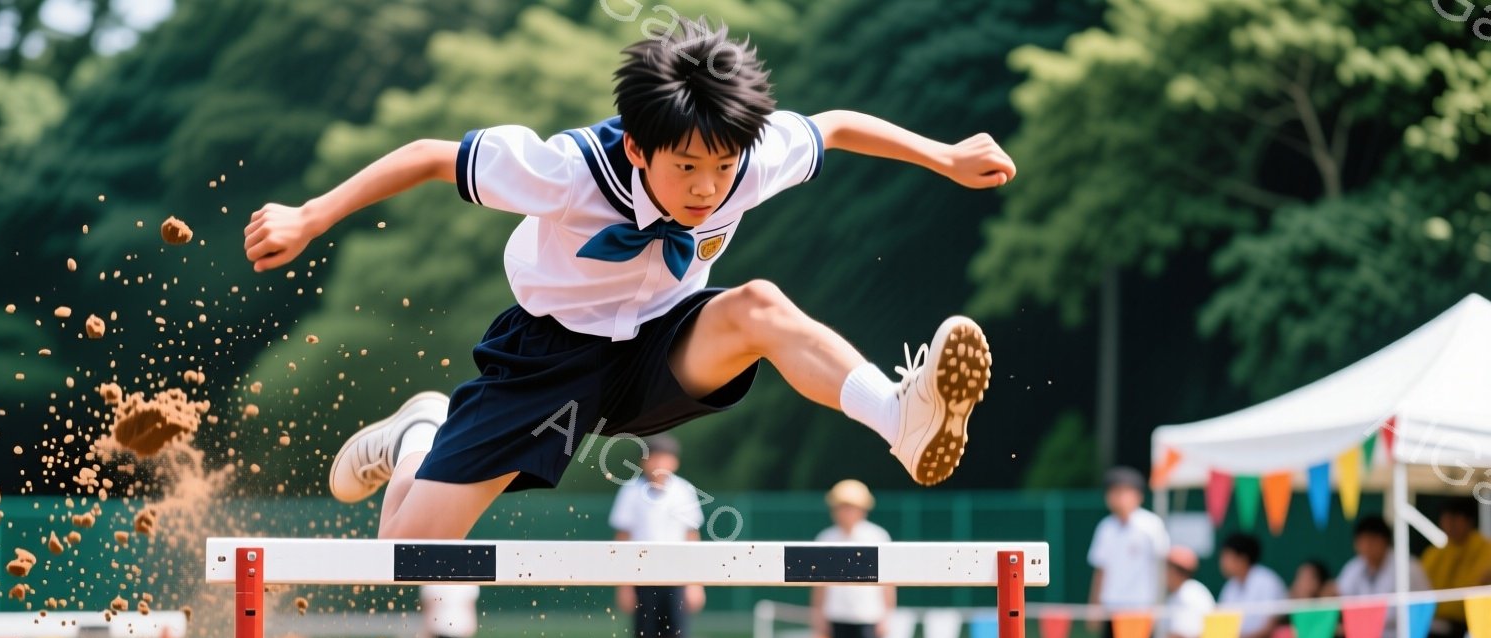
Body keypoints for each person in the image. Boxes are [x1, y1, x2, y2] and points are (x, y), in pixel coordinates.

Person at [249, 20, 1014, 552]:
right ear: (641, 148)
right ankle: (421, 430)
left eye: (723, 168)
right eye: (687, 168)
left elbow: (838, 125)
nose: (708, 189)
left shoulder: (748, 151)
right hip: (547, 358)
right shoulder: (565, 169)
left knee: (759, 306)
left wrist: (943, 156)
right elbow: (424, 154)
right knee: (407, 549)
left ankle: (899, 418)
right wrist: (310, 217)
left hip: (664, 342)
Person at [608, 433, 704, 638]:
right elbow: (622, 539)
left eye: (665, 457)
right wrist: (623, 585)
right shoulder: (630, 492)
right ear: (644, 461)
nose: (659, 463)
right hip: (642, 581)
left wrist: (695, 583)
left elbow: (692, 539)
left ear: (674, 462)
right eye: (654, 457)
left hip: (675, 581)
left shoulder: (685, 492)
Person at [810, 480, 895, 638]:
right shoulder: (825, 538)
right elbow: (817, 583)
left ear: (862, 509)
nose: (846, 512)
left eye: (851, 506)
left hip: (869, 614)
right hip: (838, 614)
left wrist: (887, 615)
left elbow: (889, 580)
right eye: (841, 507)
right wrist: (818, 614)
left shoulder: (877, 536)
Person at [1085, 467, 1170, 638]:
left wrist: (1160, 605)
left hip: (1142, 605)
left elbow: (1163, 566)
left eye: (1123, 492)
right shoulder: (1105, 528)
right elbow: (1100, 570)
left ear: (1138, 495)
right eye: (1113, 492)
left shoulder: (1151, 525)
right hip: (1112, 605)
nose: (1118, 498)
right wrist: (1095, 607)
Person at [1336, 515, 1434, 638]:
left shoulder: (1408, 567)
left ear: (1384, 541)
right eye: (1362, 541)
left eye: (1372, 541)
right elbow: (1341, 597)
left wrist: (1357, 623)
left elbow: (1394, 616)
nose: (1366, 547)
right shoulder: (1355, 567)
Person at [1420, 497, 1491, 638]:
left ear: (1469, 521)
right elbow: (1420, 591)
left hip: (1471, 628)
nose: (1449, 525)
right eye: (1446, 519)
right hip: (1436, 627)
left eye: (1454, 519)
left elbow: (1471, 592)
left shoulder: (1485, 550)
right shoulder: (1433, 554)